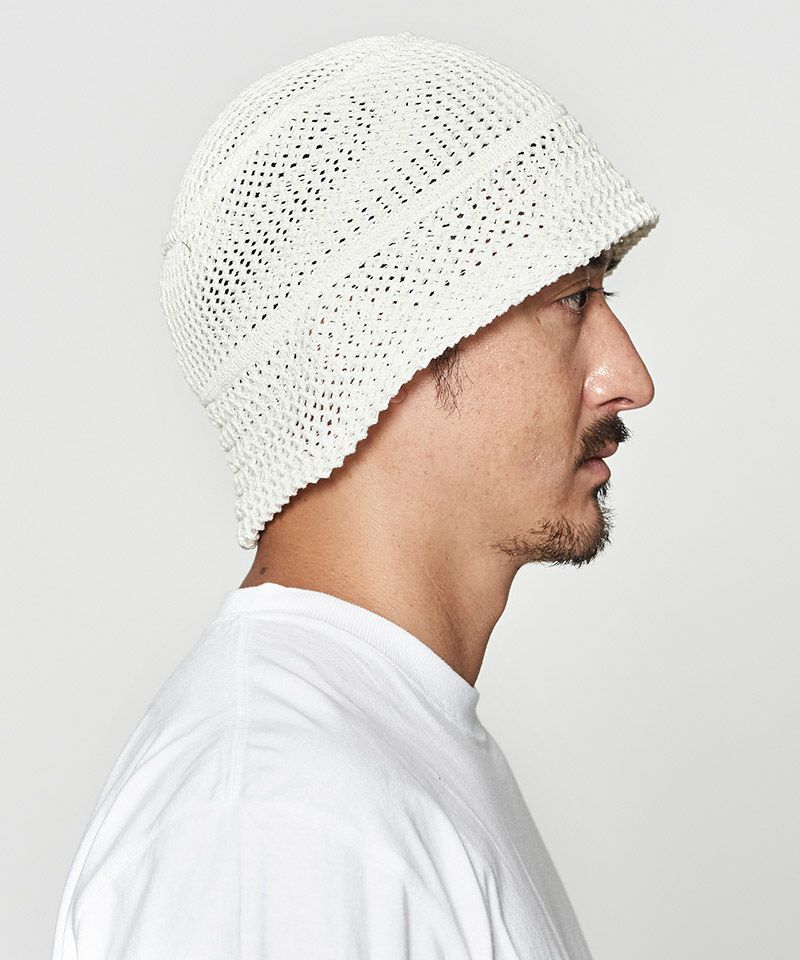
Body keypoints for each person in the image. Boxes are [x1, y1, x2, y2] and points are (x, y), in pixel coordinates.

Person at [51, 32, 659, 960]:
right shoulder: (278, 823)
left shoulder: (359, 767)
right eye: (572, 299)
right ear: (375, 343)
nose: (629, 379)